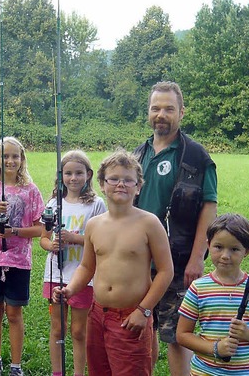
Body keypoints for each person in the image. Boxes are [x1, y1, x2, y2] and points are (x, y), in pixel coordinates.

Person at [53, 149, 174, 376]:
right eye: (114, 179)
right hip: (97, 315)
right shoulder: (94, 225)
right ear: (101, 183)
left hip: (131, 317)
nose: (121, 184)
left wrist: (143, 311)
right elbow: (87, 267)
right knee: (99, 370)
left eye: (129, 180)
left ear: (139, 186)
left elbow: (166, 271)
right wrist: (70, 289)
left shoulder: (149, 223)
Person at [133, 81, 217, 375]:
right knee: (144, 327)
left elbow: (209, 206)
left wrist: (197, 257)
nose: (161, 114)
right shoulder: (138, 154)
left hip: (178, 260)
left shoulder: (196, 156)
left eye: (169, 108)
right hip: (139, 261)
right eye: (155, 108)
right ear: (148, 112)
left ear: (181, 112)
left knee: (176, 334)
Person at [0, 136, 45, 376]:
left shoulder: (31, 191)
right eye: (5, 156)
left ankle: (16, 366)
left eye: (15, 156)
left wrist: (14, 231)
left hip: (18, 259)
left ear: (22, 159)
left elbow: (40, 228)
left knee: (14, 312)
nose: (11, 160)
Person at [176, 213, 249, 375]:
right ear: (208, 245)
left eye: (234, 249)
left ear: (246, 251)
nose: (225, 256)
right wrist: (215, 348)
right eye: (218, 247)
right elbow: (182, 335)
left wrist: (248, 334)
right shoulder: (198, 288)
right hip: (205, 372)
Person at [39, 150, 107, 376]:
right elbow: (43, 238)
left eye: (79, 173)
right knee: (57, 329)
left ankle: (79, 372)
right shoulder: (52, 203)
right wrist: (52, 245)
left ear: (88, 175)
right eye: (68, 173)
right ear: (61, 176)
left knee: (79, 330)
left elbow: (102, 240)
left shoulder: (96, 204)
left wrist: (74, 238)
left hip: (83, 278)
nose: (73, 178)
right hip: (55, 274)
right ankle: (57, 372)